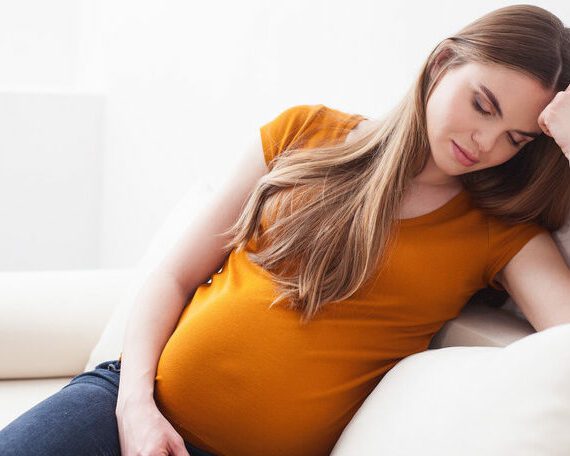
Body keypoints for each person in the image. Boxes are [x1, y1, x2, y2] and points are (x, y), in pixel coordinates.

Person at [2, 4, 570, 456]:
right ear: (443, 62)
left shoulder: (501, 235)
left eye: (516, 139)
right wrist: (134, 409)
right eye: (482, 105)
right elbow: (174, 276)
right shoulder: (304, 132)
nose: (485, 143)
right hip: (121, 406)